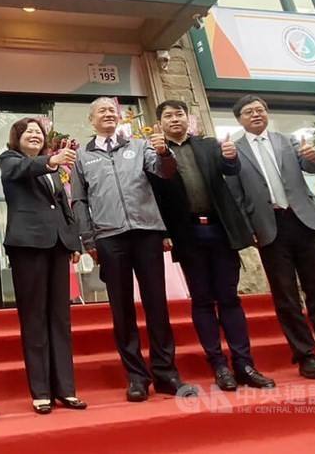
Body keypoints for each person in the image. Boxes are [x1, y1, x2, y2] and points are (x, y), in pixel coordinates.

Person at [227, 94, 315, 379]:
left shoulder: (287, 140)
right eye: (249, 112)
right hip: (269, 227)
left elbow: (313, 166)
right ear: (239, 118)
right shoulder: (234, 151)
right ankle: (306, 357)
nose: (256, 115)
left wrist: (314, 158)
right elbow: (236, 196)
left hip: (303, 222)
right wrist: (247, 228)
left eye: (260, 110)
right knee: (286, 297)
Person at [71, 97, 196, 402]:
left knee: (156, 305)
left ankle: (166, 373)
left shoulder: (140, 146)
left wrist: (165, 153)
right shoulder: (81, 158)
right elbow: (79, 201)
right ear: (91, 120)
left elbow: (164, 172)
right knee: (122, 310)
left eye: (112, 110)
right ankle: (136, 377)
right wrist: (88, 240)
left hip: (147, 233)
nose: (108, 114)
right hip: (109, 238)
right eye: (101, 111)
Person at [150, 100, 275, 391]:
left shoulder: (208, 145)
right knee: (203, 301)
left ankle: (244, 364)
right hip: (187, 234)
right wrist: (164, 233)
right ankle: (219, 366)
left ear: (188, 118)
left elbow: (229, 170)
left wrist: (230, 157)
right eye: (168, 116)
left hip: (220, 230)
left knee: (229, 298)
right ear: (160, 123)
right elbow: (156, 192)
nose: (175, 119)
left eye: (179, 114)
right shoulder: (154, 154)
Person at [0, 118, 86, 414]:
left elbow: (63, 205)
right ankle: (41, 391)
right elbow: (19, 170)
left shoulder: (52, 169)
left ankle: (66, 388)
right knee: (34, 318)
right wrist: (52, 160)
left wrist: (74, 243)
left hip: (58, 245)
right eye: (29, 132)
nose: (35, 136)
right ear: (17, 138)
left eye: (39, 132)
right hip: (28, 246)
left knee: (60, 318)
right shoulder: (10, 160)